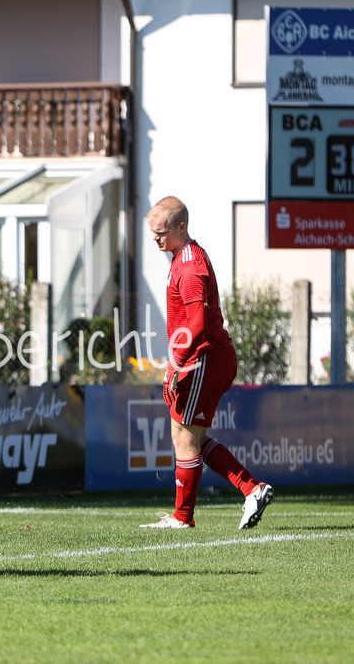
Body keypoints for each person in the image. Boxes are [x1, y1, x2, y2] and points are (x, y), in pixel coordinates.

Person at [142, 196, 273, 530]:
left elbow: (197, 322)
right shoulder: (183, 257)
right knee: (189, 435)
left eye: (162, 232)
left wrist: (176, 364)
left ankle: (183, 518)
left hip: (204, 359)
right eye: (153, 233)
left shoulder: (189, 265)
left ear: (181, 227)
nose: (156, 239)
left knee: (184, 436)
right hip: (206, 358)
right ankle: (251, 489)